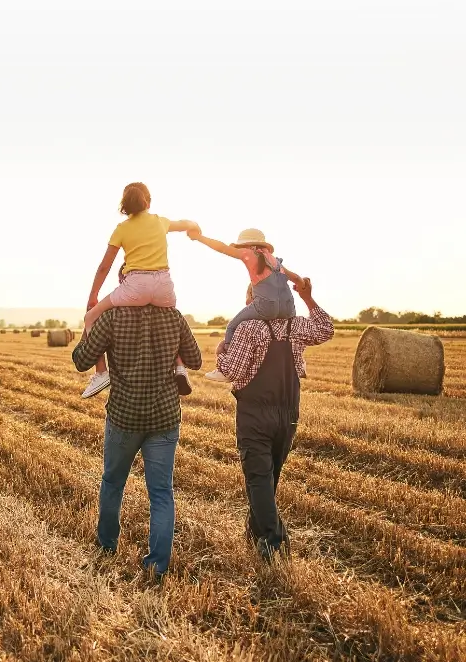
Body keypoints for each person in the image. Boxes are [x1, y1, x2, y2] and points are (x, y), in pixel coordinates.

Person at [72, 302, 203, 577]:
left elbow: (82, 360)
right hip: (164, 417)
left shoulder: (111, 317)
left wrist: (89, 324)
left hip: (124, 417)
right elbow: (196, 359)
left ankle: (107, 547)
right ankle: (157, 565)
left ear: (124, 283)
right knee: (161, 493)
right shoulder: (173, 316)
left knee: (112, 483)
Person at [214, 276, 334, 561]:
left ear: (252, 301)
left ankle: (275, 541)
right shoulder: (296, 326)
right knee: (268, 479)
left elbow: (232, 371)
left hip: (255, 412)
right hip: (288, 412)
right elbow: (326, 328)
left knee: (258, 478)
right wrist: (308, 297)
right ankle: (255, 535)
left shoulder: (248, 327)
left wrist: (221, 353)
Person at [82, 182, 200, 398]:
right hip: (164, 286)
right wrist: (194, 227)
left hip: (135, 286)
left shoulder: (122, 229)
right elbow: (185, 223)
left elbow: (104, 267)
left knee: (90, 317)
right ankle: (180, 366)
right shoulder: (160, 221)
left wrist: (93, 296)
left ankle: (100, 373)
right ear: (148, 201)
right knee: (171, 319)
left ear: (125, 205)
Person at [187, 227, 305, 384]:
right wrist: (302, 285)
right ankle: (300, 362)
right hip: (288, 308)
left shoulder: (249, 253)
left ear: (249, 246)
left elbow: (221, 248)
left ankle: (226, 369)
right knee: (288, 332)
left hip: (266, 306)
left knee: (232, 326)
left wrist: (199, 237)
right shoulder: (275, 261)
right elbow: (297, 278)